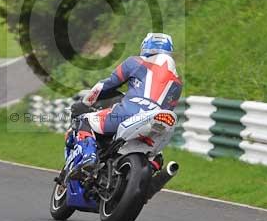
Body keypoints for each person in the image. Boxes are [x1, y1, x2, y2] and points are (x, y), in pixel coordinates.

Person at [65, 33, 182, 178]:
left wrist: (85, 102)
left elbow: (105, 85)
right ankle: (150, 172)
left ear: (146, 47)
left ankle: (89, 158)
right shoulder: (178, 83)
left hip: (128, 114)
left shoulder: (135, 62)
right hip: (159, 123)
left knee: (84, 120)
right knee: (156, 156)